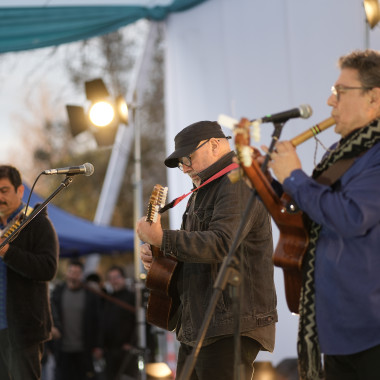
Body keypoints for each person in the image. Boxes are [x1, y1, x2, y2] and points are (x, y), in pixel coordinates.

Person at [265, 49, 380, 379]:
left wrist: (295, 176)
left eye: (340, 92)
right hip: (339, 326)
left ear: (373, 98)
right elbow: (308, 211)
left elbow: (351, 217)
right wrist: (264, 180)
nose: (331, 102)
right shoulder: (342, 152)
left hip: (371, 329)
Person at [136, 121, 277, 380]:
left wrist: (163, 238)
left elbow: (222, 243)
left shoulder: (238, 180)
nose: (185, 167)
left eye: (188, 157)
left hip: (227, 323)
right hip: (201, 323)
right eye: (180, 162)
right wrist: (160, 256)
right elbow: (199, 251)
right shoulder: (205, 189)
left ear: (214, 144)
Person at [0, 165, 58, 380]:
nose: (0, 197)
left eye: (4, 190)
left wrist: (7, 251)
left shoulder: (37, 223)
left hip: (23, 331)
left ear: (20, 191)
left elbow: (48, 268)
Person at [51, 259, 102, 380]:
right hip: (62, 350)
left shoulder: (90, 296)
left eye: (77, 273)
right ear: (67, 273)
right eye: (71, 272)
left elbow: (98, 321)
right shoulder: (58, 293)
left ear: (82, 275)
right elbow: (51, 318)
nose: (73, 275)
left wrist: (98, 346)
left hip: (84, 350)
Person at [98, 265, 137, 380]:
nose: (114, 281)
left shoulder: (132, 298)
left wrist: (131, 343)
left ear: (123, 278)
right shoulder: (108, 299)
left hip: (126, 350)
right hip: (109, 350)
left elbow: (138, 323)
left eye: (117, 277)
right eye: (111, 278)